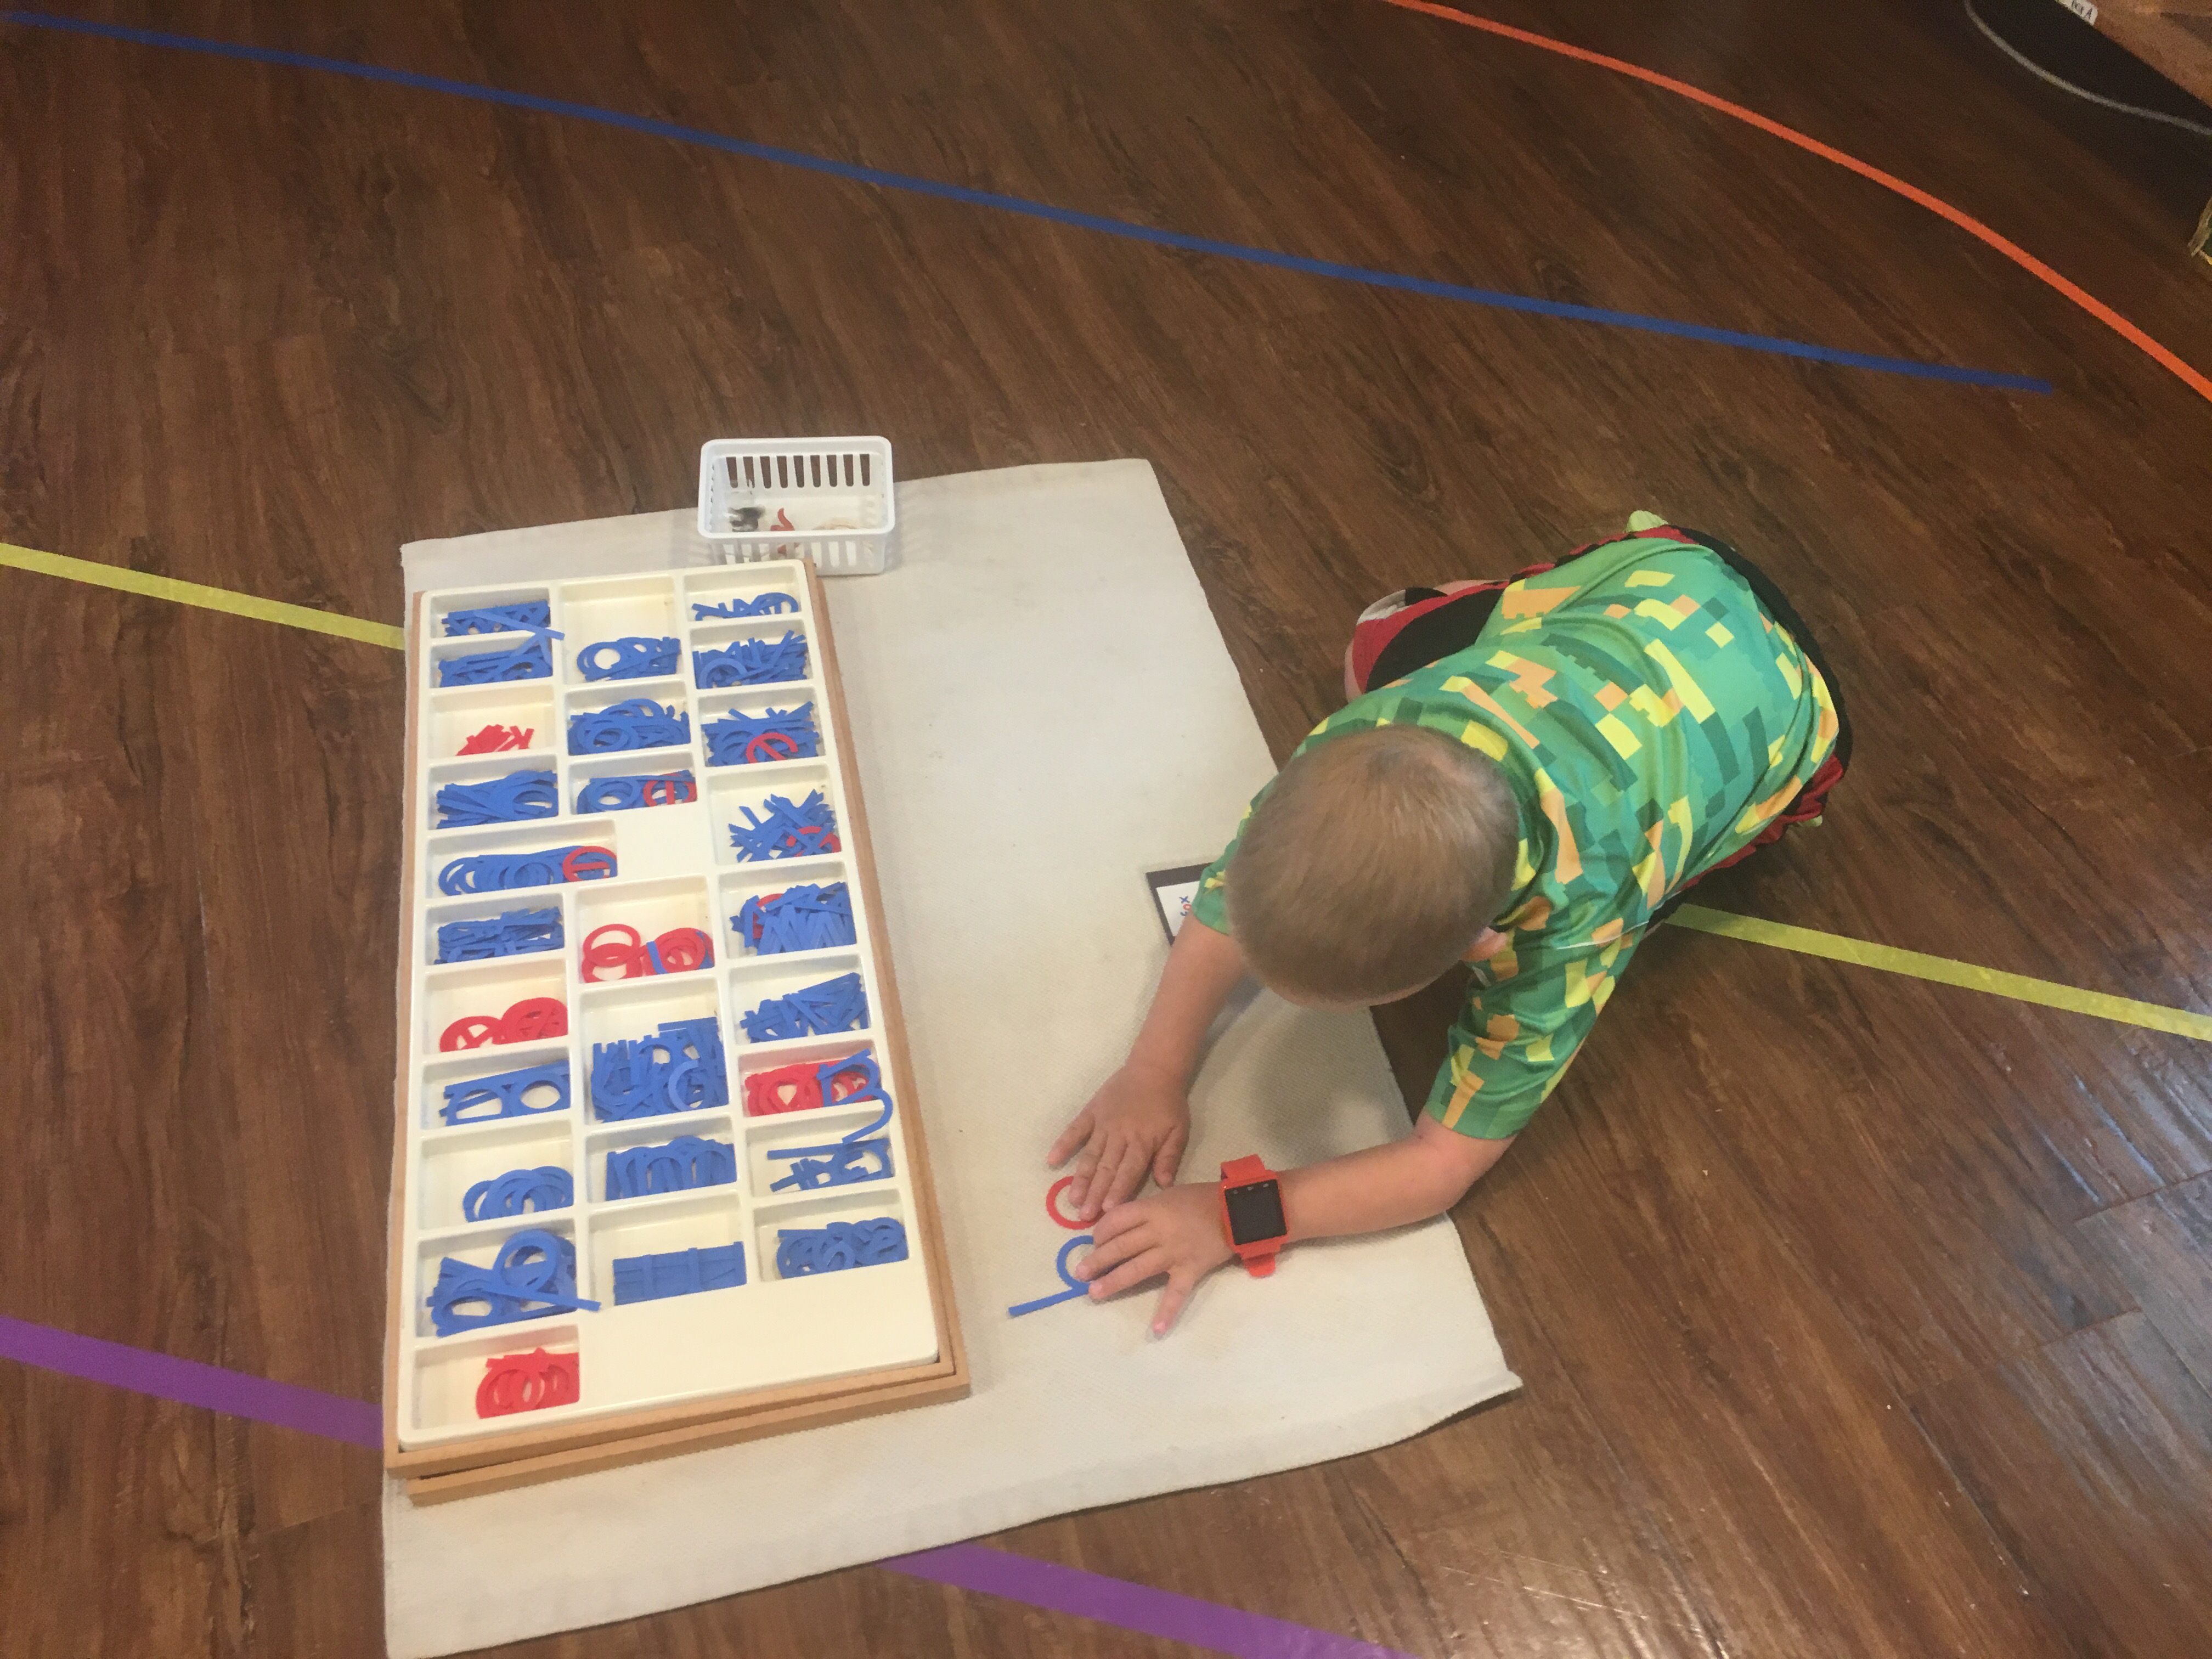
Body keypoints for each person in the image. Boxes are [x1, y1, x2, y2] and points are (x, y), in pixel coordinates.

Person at [1047, 513, 1848, 1334]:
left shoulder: (1570, 933)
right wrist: (1153, 1069)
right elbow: (1227, 902)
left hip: (1790, 708)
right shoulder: (1360, 740)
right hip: (1660, 579)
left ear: (1482, 948)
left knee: (1669, 872)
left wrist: (1232, 1217)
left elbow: (1441, 1164)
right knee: (1368, 654)